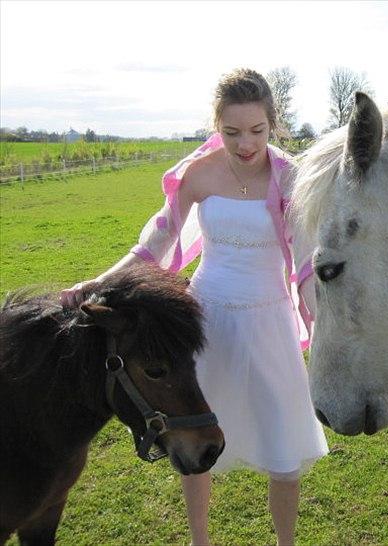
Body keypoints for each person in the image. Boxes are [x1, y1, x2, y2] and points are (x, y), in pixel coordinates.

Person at [61, 68, 328, 546]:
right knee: (194, 439)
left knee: (286, 458)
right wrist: (100, 281)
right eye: (232, 132)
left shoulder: (291, 178)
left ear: (273, 124)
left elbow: (306, 261)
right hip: (206, 323)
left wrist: (321, 321)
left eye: (256, 131)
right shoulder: (198, 174)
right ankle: (199, 541)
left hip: (268, 322)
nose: (245, 144)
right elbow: (154, 246)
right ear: (216, 126)